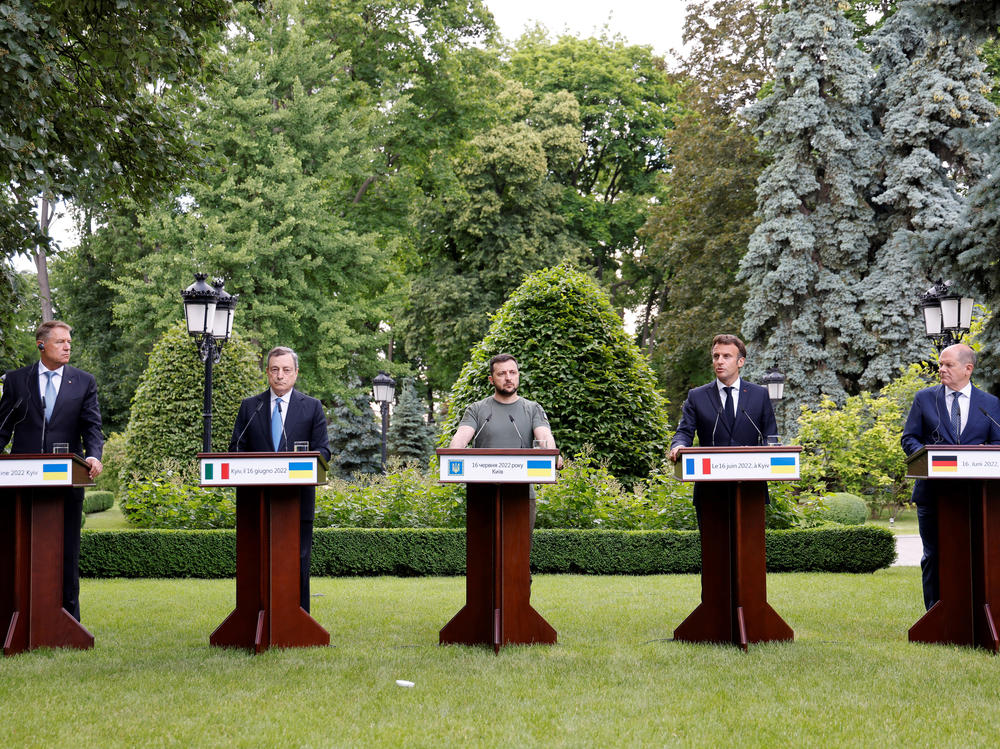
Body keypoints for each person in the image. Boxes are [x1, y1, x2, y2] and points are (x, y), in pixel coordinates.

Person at [0, 321, 104, 621]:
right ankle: (14, 616)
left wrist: (94, 456)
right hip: (22, 481)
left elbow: (92, 427)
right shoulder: (17, 381)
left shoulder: (84, 382)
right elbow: (3, 426)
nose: (67, 346)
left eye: (69, 341)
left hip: (66, 480)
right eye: (60, 341)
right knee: (18, 550)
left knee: (66, 553)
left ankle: (68, 621)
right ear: (41, 345)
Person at [230, 346, 330, 612]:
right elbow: (236, 449)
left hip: (296, 501)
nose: (280, 376)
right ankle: (254, 615)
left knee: (297, 560)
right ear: (267, 373)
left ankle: (299, 618)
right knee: (257, 559)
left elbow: (324, 451)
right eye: (274, 370)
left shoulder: (312, 407)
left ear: (296, 373)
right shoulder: (250, 406)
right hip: (256, 502)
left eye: (286, 370)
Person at [901, 343, 1000, 610]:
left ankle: (978, 611)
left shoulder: (990, 404)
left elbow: (997, 443)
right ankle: (934, 614)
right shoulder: (924, 398)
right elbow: (909, 438)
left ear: (968, 369)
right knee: (933, 555)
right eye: (940, 364)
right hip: (933, 494)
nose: (941, 369)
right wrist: (927, 457)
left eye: (948, 365)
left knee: (978, 555)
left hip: (976, 495)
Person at [668, 334, 778, 522]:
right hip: (710, 491)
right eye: (716, 356)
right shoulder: (697, 396)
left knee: (750, 549)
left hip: (750, 490)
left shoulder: (759, 395)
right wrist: (678, 445)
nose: (719, 361)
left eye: (726, 356)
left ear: (740, 361)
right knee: (713, 549)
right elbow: (684, 432)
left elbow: (771, 436)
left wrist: (773, 450)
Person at [449, 353, 562, 531]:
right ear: (491, 379)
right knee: (482, 554)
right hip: (482, 495)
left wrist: (552, 454)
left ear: (518, 375)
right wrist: (453, 453)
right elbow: (459, 441)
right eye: (501, 374)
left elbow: (545, 439)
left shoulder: (533, 409)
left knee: (518, 554)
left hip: (522, 496)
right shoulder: (476, 409)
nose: (508, 378)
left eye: (512, 372)